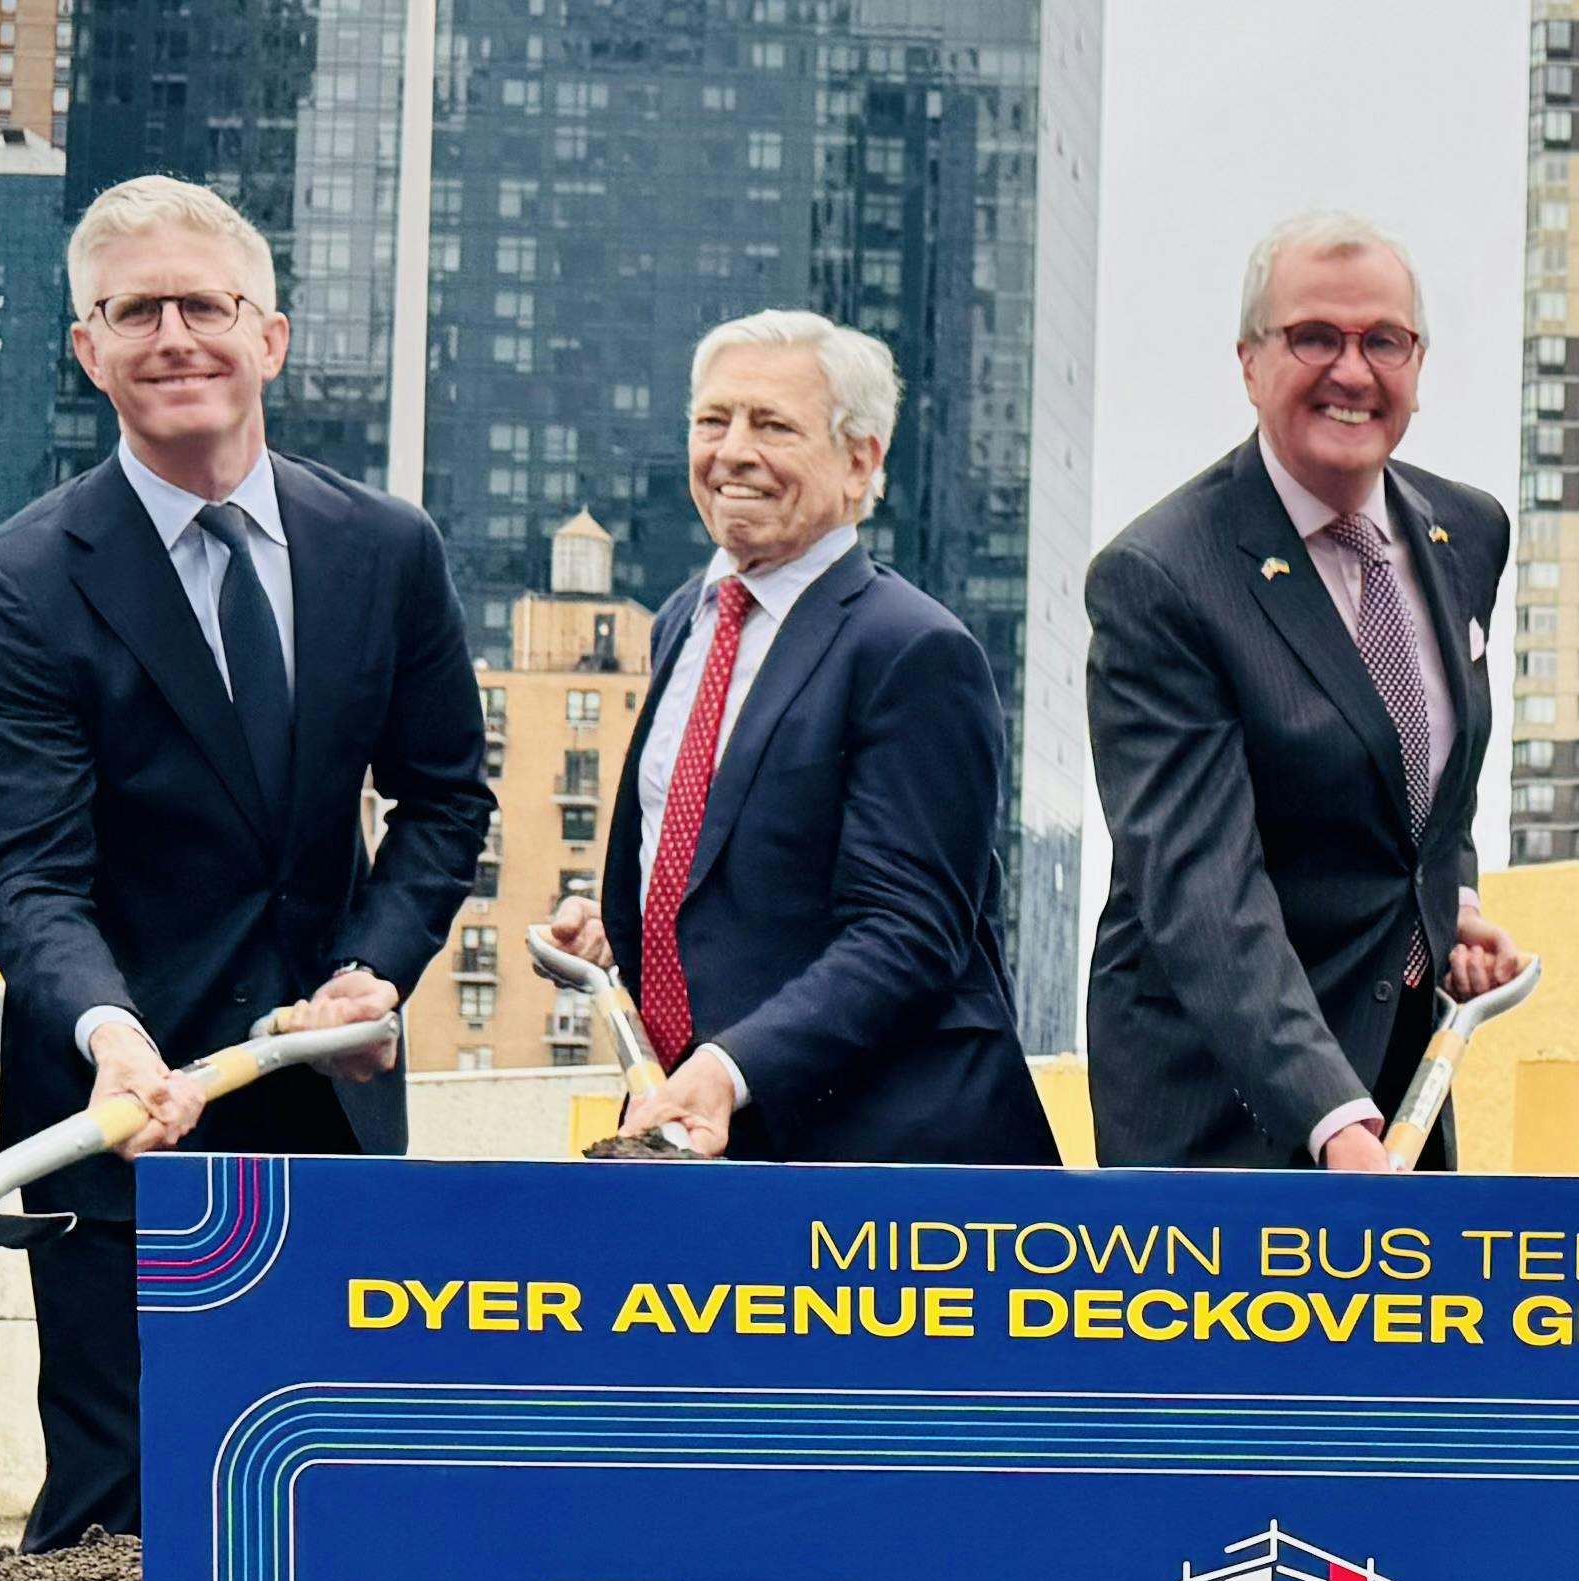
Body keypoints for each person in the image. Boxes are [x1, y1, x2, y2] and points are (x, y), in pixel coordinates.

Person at [0, 173, 493, 1546]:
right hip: (127, 1115)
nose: (175, 333)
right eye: (137, 310)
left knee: (344, 1500)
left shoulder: (386, 548)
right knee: (117, 1513)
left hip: (332, 1106)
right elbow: (27, 869)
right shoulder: (18, 578)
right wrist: (111, 1030)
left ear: (271, 336)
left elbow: (442, 797)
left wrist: (375, 971)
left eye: (206, 303)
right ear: (89, 348)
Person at [536, 314, 1058, 1166]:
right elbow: (739, 874)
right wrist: (627, 928)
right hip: (718, 1147)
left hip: (884, 1181)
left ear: (861, 460)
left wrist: (730, 1067)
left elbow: (910, 932)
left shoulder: (914, 650)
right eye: (713, 420)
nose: (733, 450)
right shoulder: (681, 623)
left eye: (772, 425)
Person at [1082, 211, 1523, 1169]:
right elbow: (1200, 882)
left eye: (1384, 341)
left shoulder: (1467, 529)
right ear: (1249, 361)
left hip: (1401, 1087)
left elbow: (1424, 780)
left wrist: (1455, 903)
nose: (1352, 371)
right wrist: (1331, 1115)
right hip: (1217, 1104)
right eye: (1313, 337)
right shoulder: (1162, 576)